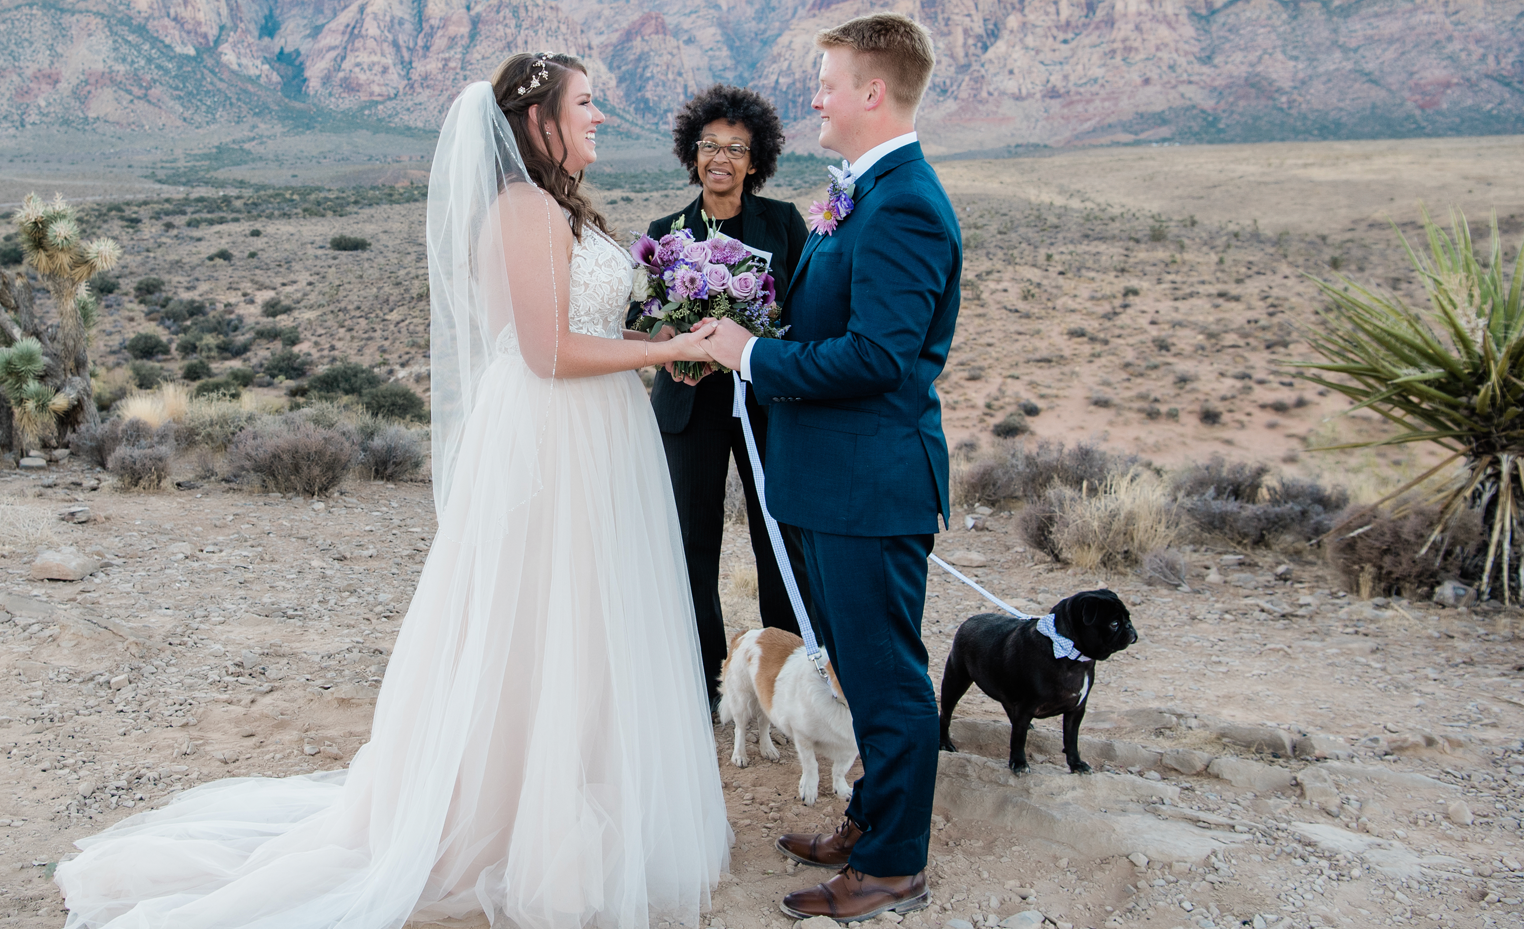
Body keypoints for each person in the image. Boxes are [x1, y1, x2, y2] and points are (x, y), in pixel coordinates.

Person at [53, 52, 731, 929]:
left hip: (592, 434)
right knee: (538, 618)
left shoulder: (556, 205)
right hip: (552, 437)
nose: (602, 118)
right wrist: (667, 353)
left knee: (580, 623)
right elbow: (549, 352)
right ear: (538, 122)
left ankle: (568, 797)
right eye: (587, 104)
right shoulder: (523, 206)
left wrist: (659, 331)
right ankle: (511, 823)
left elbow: (584, 323)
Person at [697, 12, 961, 922]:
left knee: (887, 683)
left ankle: (893, 864)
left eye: (829, 80)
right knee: (854, 665)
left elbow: (882, 357)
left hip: (870, 488)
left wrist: (753, 358)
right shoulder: (864, 192)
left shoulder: (909, 205)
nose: (815, 95)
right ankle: (868, 818)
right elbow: (829, 325)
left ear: (872, 92)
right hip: (830, 485)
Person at [640, 84, 813, 705]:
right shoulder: (665, 232)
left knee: (780, 537)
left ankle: (789, 679)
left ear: (755, 160)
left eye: (737, 148)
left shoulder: (785, 222)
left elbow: (799, 309)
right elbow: (649, 319)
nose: (722, 158)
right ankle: (707, 683)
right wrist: (679, 343)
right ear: (693, 153)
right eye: (710, 145)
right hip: (689, 405)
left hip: (764, 402)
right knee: (692, 541)